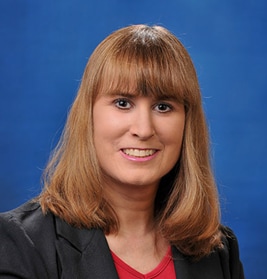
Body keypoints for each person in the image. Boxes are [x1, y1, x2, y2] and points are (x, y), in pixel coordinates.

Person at [0, 24, 244, 279]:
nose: (143, 129)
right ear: (89, 116)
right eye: (123, 103)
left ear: (187, 123)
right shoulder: (20, 243)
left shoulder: (219, 252)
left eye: (163, 106)